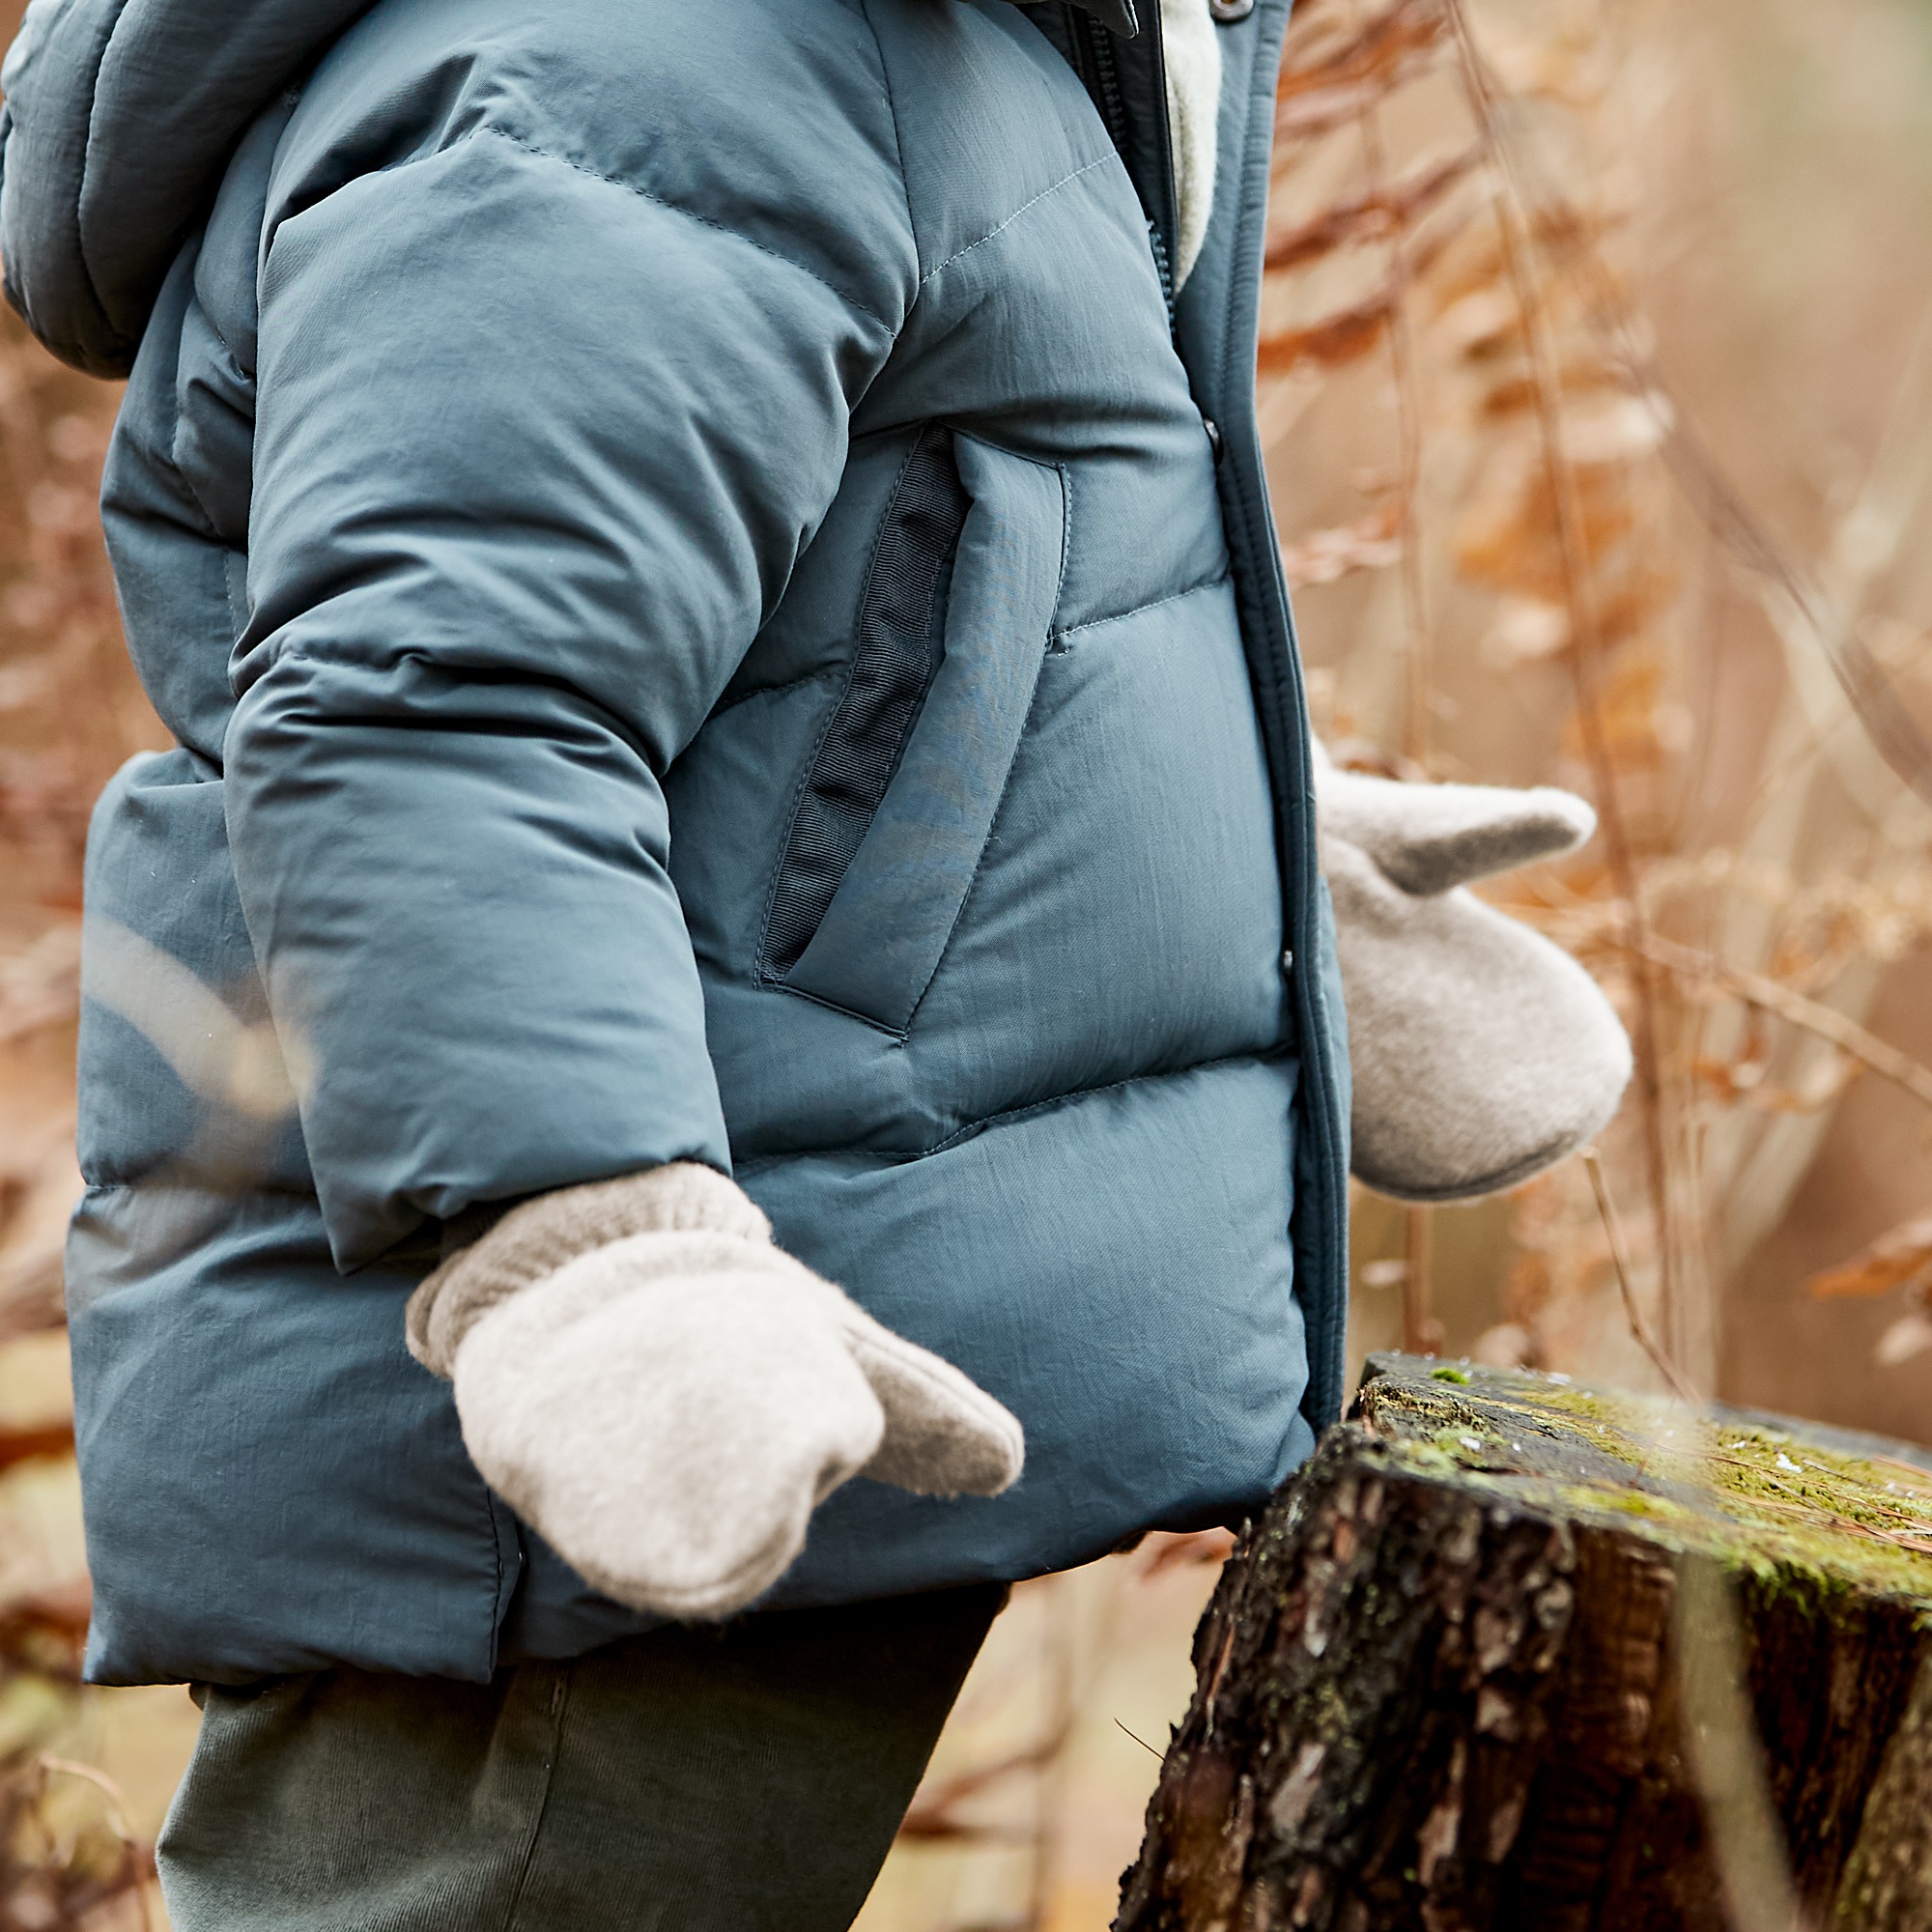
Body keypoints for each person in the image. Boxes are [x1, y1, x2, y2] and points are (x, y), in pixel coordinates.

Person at [0, 0, 1626, 1921]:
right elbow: (441, 709)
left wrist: (1244, 863)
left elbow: (920, 586)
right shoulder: (638, 64)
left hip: (795, 1336)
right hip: (589, 1453)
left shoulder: (945, 42)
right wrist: (588, 1243)